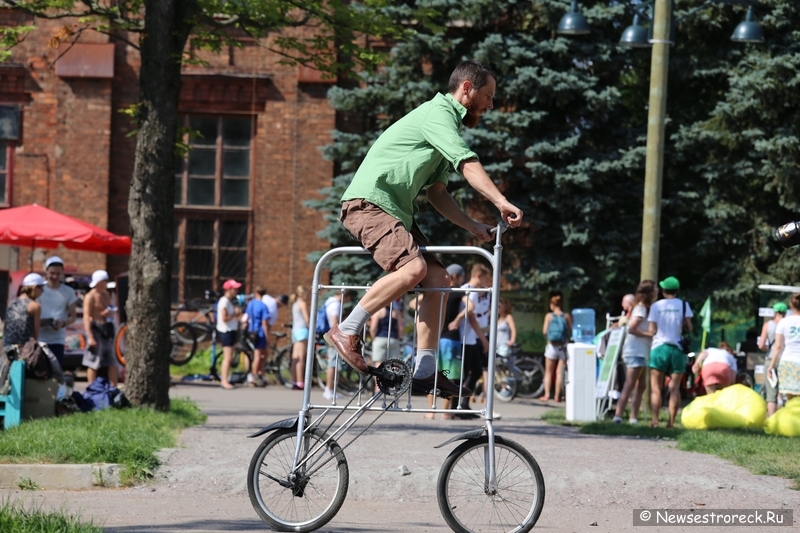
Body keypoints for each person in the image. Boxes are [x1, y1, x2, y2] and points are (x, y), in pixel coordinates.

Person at [323, 60, 523, 400]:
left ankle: (426, 370)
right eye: (487, 96)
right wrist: (501, 201)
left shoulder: (446, 126)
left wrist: (472, 225)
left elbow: (437, 193)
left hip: (395, 212)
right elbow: (467, 163)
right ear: (466, 90)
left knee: (438, 279)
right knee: (414, 268)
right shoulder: (438, 115)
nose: (490, 104)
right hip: (369, 204)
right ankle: (346, 329)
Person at [647, 276, 693, 428]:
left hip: (659, 347)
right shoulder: (684, 305)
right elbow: (689, 327)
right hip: (677, 349)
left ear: (663, 290)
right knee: (674, 388)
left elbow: (652, 330)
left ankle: (655, 421)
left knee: (656, 387)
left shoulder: (656, 306)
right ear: (677, 291)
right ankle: (671, 422)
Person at [424, 263, 465, 420]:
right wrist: (458, 318)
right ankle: (445, 412)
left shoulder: (438, 292)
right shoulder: (457, 292)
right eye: (461, 277)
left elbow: (414, 303)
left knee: (431, 374)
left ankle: (430, 411)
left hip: (435, 338)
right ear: (456, 276)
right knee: (449, 376)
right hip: (451, 340)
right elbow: (472, 306)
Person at [613, 280, 656, 424]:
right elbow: (632, 328)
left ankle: (633, 418)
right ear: (649, 293)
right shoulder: (641, 309)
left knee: (641, 386)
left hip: (641, 351)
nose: (657, 291)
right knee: (630, 384)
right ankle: (618, 417)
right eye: (655, 289)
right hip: (635, 351)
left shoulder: (644, 308)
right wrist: (650, 334)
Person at [37, 256, 78, 366]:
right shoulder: (39, 289)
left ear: (62, 273)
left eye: (58, 274)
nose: (55, 276)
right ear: (46, 271)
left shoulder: (68, 291)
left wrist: (63, 323)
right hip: (39, 338)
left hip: (57, 339)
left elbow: (73, 316)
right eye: (52, 273)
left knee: (55, 371)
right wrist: (38, 322)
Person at [82, 270, 119, 386]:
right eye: (104, 281)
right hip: (96, 331)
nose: (106, 283)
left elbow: (108, 309)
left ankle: (114, 388)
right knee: (93, 362)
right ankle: (91, 388)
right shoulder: (90, 297)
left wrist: (108, 313)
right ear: (99, 282)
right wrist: (90, 337)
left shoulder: (105, 294)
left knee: (112, 362)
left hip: (106, 331)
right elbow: (87, 317)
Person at [767, 293, 800, 404]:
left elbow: (778, 347)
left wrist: (771, 366)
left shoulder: (784, 322)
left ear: (791, 305)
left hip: (788, 362)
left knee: (790, 400)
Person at [323, 290, 355, 400]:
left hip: (331, 336)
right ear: (347, 296)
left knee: (334, 363)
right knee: (333, 364)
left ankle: (331, 389)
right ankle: (329, 389)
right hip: (334, 338)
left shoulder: (330, 302)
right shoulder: (335, 305)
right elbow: (333, 322)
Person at [540, 291, 572, 402]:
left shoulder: (549, 316)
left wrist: (549, 338)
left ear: (551, 304)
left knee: (548, 372)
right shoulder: (566, 316)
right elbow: (571, 330)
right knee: (559, 372)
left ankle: (547, 395)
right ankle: (557, 397)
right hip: (563, 347)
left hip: (551, 346)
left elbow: (544, 331)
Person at [759, 302, 787, 417]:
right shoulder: (787, 324)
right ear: (785, 312)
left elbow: (761, 345)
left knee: (771, 393)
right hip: (785, 359)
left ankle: (772, 420)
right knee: (788, 392)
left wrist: (767, 348)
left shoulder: (768, 325)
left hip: (770, 359)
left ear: (774, 312)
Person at [3, 273, 44, 348]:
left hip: (8, 349)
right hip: (25, 350)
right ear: (35, 287)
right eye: (41, 289)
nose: (42, 292)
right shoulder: (35, 306)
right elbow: (36, 335)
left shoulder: (11, 303)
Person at [243, 287, 270, 387]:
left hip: (251, 332)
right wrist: (267, 337)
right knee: (258, 355)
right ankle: (254, 376)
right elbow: (264, 323)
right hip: (260, 333)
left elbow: (246, 317)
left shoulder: (251, 304)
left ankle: (257, 373)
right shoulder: (263, 306)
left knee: (255, 354)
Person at [217, 279, 242, 390]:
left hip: (231, 330)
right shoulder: (224, 302)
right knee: (227, 358)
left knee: (229, 358)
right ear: (229, 289)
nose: (236, 290)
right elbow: (224, 318)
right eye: (234, 288)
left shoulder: (228, 301)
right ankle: (224, 380)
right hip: (226, 331)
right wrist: (234, 314)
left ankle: (226, 379)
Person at [369, 299, 404, 365]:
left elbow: (373, 329)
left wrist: (374, 339)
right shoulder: (396, 312)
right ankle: (393, 375)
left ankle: (379, 375)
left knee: (379, 362)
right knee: (394, 363)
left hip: (380, 338)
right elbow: (401, 327)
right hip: (393, 339)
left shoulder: (378, 312)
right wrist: (398, 338)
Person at [290, 286, 310, 390]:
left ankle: (295, 381)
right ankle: (300, 381)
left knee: (295, 358)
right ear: (302, 294)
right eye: (307, 294)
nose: (308, 296)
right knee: (301, 358)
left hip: (295, 331)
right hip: (302, 331)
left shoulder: (294, 304)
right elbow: (307, 319)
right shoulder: (303, 303)